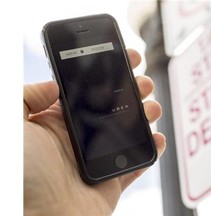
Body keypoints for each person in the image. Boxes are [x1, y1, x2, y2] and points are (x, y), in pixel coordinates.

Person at [24, 49, 166, 215]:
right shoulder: (76, 122)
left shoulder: (111, 121)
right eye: (99, 79)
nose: (107, 90)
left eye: (113, 80)